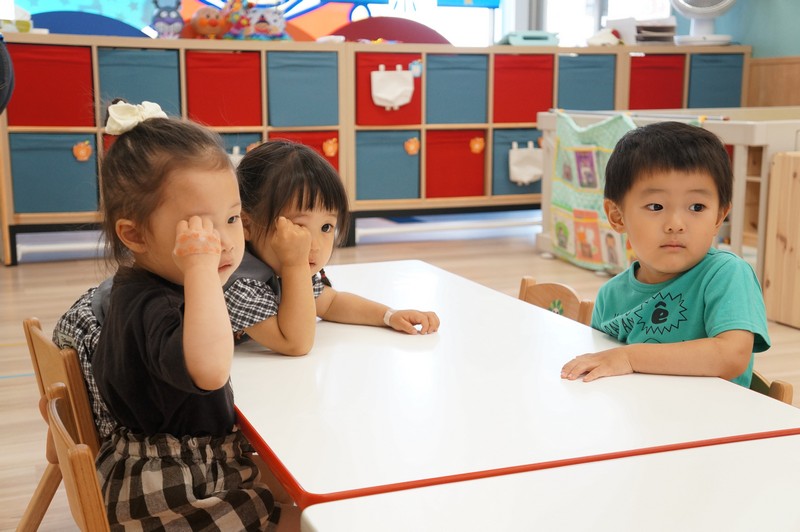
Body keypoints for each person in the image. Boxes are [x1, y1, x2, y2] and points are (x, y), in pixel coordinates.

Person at [89, 100, 293, 530]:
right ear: (135, 235)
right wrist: (202, 269)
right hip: (174, 489)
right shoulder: (154, 304)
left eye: (233, 218)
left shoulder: (144, 285)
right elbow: (211, 371)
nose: (225, 242)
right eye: (199, 229)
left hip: (182, 467)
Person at [560, 121, 770, 386]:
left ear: (719, 216)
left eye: (697, 207)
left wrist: (630, 357)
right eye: (656, 206)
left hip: (710, 413)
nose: (676, 224)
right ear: (617, 216)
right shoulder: (611, 295)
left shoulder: (727, 275)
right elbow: (602, 370)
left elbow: (731, 355)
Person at [226, 139, 439, 355]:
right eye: (299, 227)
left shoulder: (284, 265)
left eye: (326, 227)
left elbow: (331, 303)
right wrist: (294, 265)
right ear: (246, 225)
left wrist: (389, 316)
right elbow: (295, 343)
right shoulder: (239, 282)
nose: (315, 244)